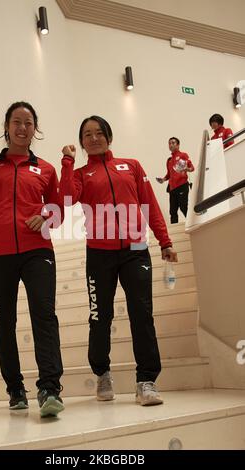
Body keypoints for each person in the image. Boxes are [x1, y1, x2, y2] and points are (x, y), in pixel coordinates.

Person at [59, 115, 177, 406]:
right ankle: (102, 374)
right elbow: (65, 199)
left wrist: (165, 240)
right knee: (100, 316)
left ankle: (146, 381)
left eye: (99, 132)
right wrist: (67, 163)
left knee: (142, 313)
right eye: (87, 134)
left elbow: (149, 204)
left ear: (109, 137)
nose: (94, 138)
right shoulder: (80, 173)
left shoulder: (132, 165)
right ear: (82, 142)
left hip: (136, 247)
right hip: (99, 251)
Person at [0, 101, 64, 417]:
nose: (23, 128)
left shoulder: (46, 169)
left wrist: (46, 215)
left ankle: (49, 388)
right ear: (7, 127)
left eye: (29, 122)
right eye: (17, 122)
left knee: (44, 314)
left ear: (35, 129)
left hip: (38, 252)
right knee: (3, 322)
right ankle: (15, 389)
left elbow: (58, 210)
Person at [156, 137, 194, 224]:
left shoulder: (183, 155)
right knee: (172, 211)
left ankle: (192, 224)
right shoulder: (169, 160)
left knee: (183, 207)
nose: (171, 145)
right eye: (169, 143)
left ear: (178, 145)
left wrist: (186, 169)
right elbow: (169, 174)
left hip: (182, 186)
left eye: (173, 143)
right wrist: (163, 179)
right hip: (172, 188)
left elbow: (192, 168)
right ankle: (173, 231)